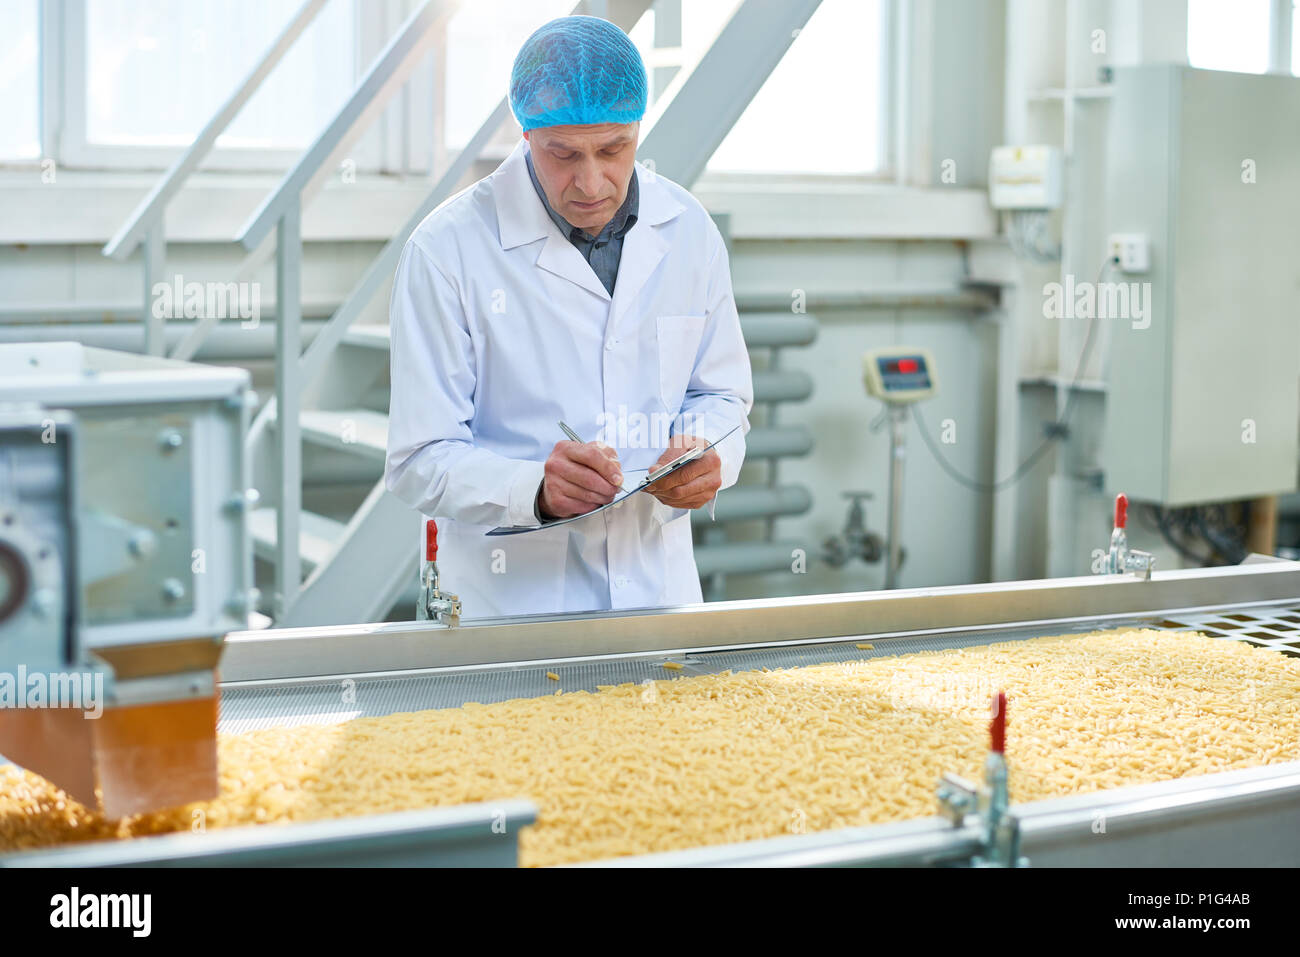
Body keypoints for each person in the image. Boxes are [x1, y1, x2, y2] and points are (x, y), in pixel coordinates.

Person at [385, 15, 752, 618]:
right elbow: (418, 457)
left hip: (657, 597)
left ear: (637, 128)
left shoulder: (688, 230)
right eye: (563, 154)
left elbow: (721, 395)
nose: (591, 181)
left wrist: (705, 451)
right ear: (525, 136)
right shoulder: (447, 249)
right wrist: (534, 491)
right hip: (508, 611)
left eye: (614, 150)